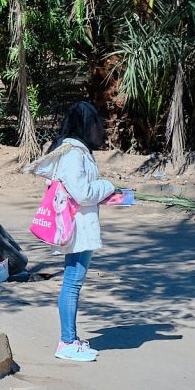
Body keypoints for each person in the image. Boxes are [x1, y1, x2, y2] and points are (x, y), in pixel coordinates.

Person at [28, 102, 115, 363]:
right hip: (77, 228)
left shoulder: (71, 150)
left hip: (78, 225)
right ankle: (66, 342)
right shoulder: (73, 154)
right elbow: (83, 192)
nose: (98, 128)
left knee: (72, 281)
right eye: (94, 123)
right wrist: (108, 186)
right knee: (72, 282)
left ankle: (71, 338)